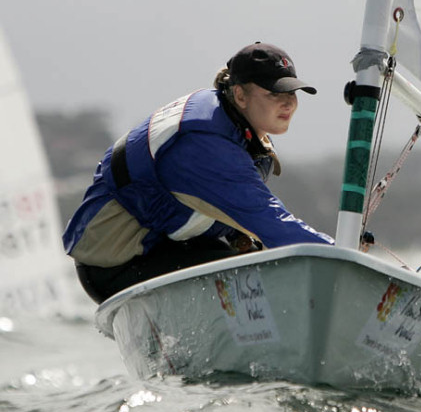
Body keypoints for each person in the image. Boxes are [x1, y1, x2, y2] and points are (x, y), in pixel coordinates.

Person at [62, 42, 333, 303]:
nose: (287, 103)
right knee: (255, 281)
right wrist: (343, 254)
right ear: (240, 95)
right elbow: (271, 222)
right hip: (113, 265)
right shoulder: (206, 144)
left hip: (163, 247)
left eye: (291, 93)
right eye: (274, 94)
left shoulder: (237, 127)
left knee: (257, 266)